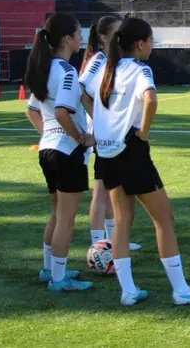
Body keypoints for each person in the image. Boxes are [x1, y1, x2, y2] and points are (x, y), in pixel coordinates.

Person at [91, 16, 190, 307]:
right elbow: (151, 99)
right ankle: (180, 289)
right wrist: (142, 134)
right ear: (140, 43)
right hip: (130, 152)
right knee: (164, 220)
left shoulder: (104, 69)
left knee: (121, 222)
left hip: (106, 153)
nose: (152, 46)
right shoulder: (138, 69)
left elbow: (85, 96)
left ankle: (128, 291)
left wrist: (105, 126)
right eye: (151, 41)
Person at [24, 12, 94, 292]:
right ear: (67, 39)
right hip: (65, 152)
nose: (82, 38)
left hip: (48, 151)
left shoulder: (45, 68)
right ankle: (58, 279)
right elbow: (63, 112)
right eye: (78, 33)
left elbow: (32, 111)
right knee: (66, 217)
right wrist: (81, 138)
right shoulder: (65, 71)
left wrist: (49, 135)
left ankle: (50, 269)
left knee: (56, 213)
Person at [78, 14, 141, 252]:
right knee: (101, 189)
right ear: (103, 37)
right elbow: (80, 87)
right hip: (100, 134)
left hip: (111, 133)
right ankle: (98, 245)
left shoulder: (115, 60)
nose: (121, 36)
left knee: (113, 187)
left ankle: (113, 240)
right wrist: (99, 118)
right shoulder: (99, 59)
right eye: (116, 32)